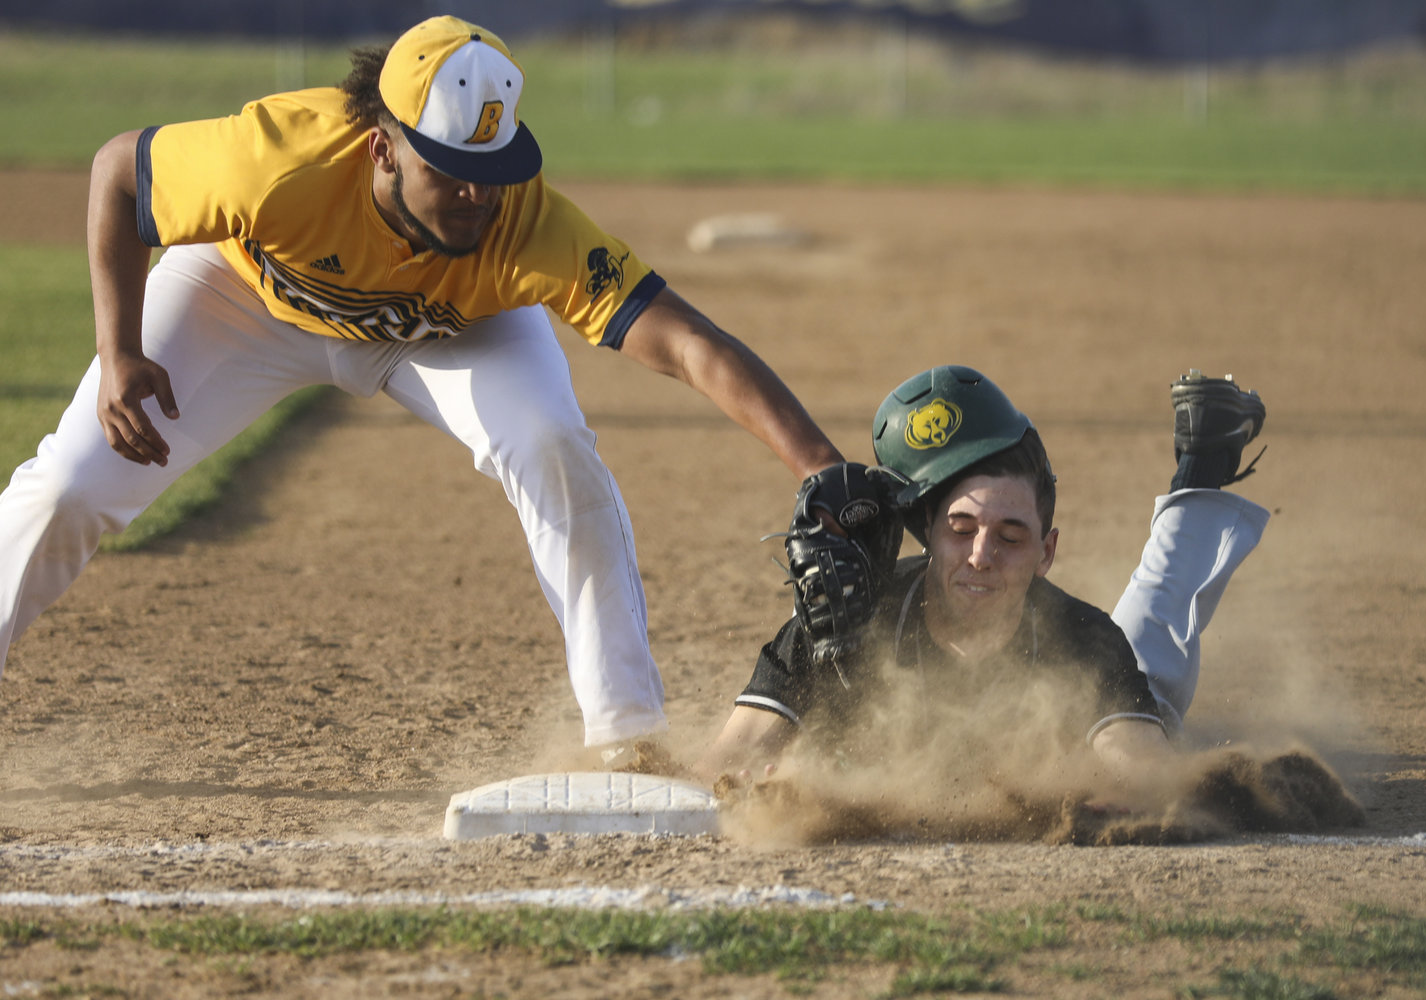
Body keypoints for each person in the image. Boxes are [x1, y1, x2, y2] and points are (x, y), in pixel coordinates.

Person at [0, 16, 842, 750]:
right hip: (245, 300)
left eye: (495, 163)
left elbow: (689, 343)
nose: (478, 191)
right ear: (383, 146)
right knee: (69, 486)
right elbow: (118, 170)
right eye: (448, 167)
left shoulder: (520, 221)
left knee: (552, 445)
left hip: (452, 328)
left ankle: (627, 735)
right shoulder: (278, 159)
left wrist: (819, 467)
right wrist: (118, 351)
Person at [694, 365, 1269, 792]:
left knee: (1153, 635)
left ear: (1047, 553)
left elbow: (1149, 779)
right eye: (960, 528)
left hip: (1112, 693)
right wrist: (747, 790)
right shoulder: (847, 623)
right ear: (930, 535)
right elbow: (722, 766)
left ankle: (1203, 463)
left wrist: (1132, 790)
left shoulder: (1083, 641)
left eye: (1012, 537)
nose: (981, 555)